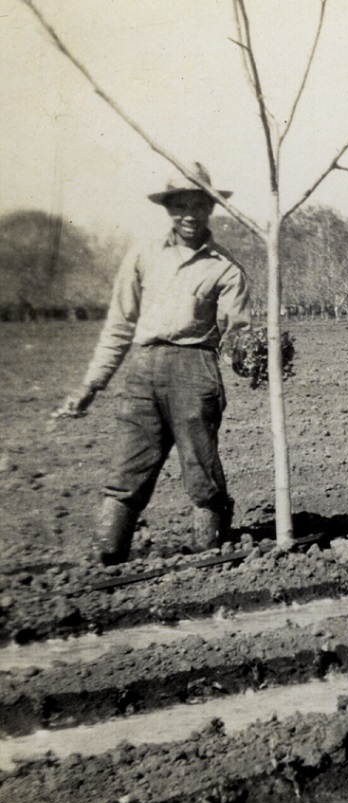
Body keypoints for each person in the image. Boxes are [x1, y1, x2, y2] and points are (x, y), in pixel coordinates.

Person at [54, 164, 249, 564]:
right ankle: (107, 555)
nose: (190, 214)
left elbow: (238, 337)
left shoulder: (226, 268)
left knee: (201, 464)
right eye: (180, 206)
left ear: (212, 209)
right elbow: (119, 324)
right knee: (129, 465)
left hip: (195, 369)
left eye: (199, 205)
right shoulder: (143, 255)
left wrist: (258, 357)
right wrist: (91, 385)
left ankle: (208, 551)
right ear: (168, 210)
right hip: (142, 370)